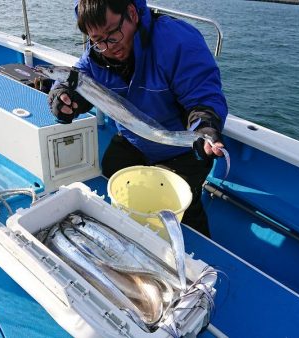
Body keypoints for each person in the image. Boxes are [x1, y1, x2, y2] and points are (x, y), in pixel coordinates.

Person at [48, 0, 228, 237]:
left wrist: (204, 127)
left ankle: (200, 258)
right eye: (97, 40)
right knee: (112, 167)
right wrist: (64, 99)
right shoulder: (96, 55)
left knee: (179, 204)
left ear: (132, 14)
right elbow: (75, 79)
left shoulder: (176, 41)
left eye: (112, 34)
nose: (108, 47)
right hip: (135, 140)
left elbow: (202, 95)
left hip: (182, 149)